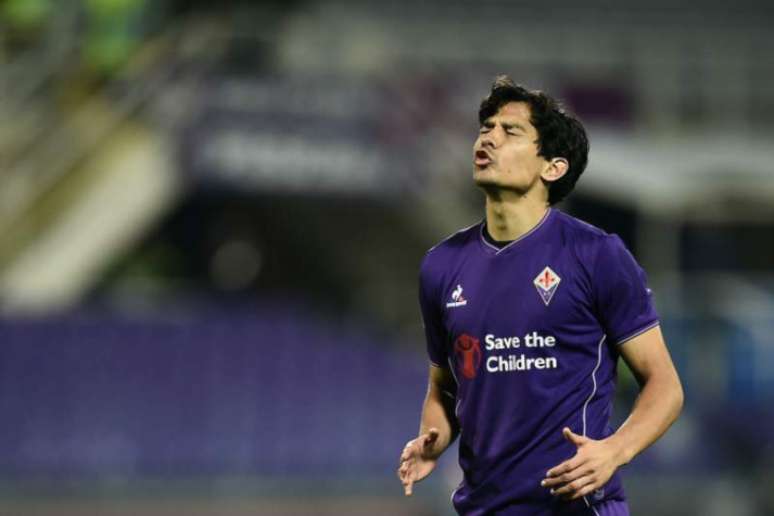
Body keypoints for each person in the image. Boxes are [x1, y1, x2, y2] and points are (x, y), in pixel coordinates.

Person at [397, 76, 684, 516]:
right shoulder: (441, 265)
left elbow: (665, 386)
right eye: (486, 128)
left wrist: (615, 450)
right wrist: (432, 438)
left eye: (510, 131)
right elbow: (445, 388)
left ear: (553, 167)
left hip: (579, 507)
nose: (488, 137)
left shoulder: (596, 254)